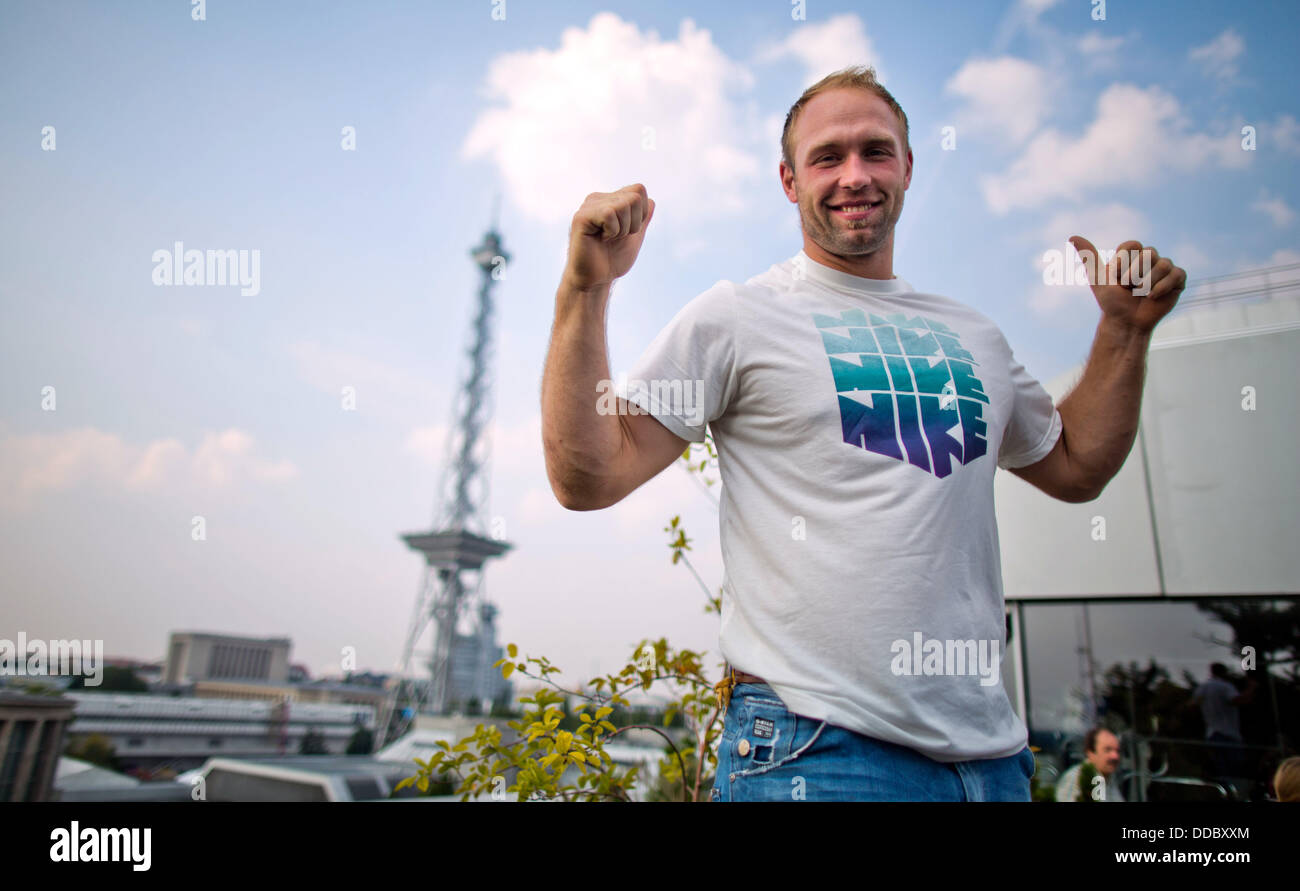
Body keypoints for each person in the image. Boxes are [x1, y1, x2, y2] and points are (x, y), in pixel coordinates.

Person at [540, 66, 1188, 801]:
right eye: (828, 157)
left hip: (995, 763)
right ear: (789, 181)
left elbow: (1076, 468)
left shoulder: (974, 333)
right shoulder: (736, 317)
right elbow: (587, 477)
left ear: (908, 167)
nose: (856, 175)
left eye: (876, 151)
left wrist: (1124, 334)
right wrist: (586, 289)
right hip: (816, 754)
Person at [1191, 662, 1257, 779]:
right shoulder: (1225, 686)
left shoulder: (1202, 688)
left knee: (1218, 766)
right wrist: (1251, 688)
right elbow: (1237, 700)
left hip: (1211, 733)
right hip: (1228, 733)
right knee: (1233, 768)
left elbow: (1194, 704)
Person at [1055, 728, 1125, 802]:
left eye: (1117, 751)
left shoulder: (1110, 780)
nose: (1115, 756)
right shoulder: (1076, 778)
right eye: (1108, 750)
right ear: (1090, 753)